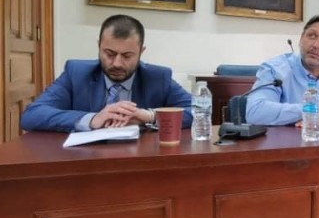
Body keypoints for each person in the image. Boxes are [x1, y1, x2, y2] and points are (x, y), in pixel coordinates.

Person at [21, 14, 192, 132]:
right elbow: (32, 115)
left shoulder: (158, 78)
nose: (117, 63)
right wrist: (93, 119)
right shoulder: (76, 73)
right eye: (109, 54)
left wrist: (150, 116)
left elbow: (199, 112)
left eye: (127, 56)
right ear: (99, 46)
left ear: (141, 52)